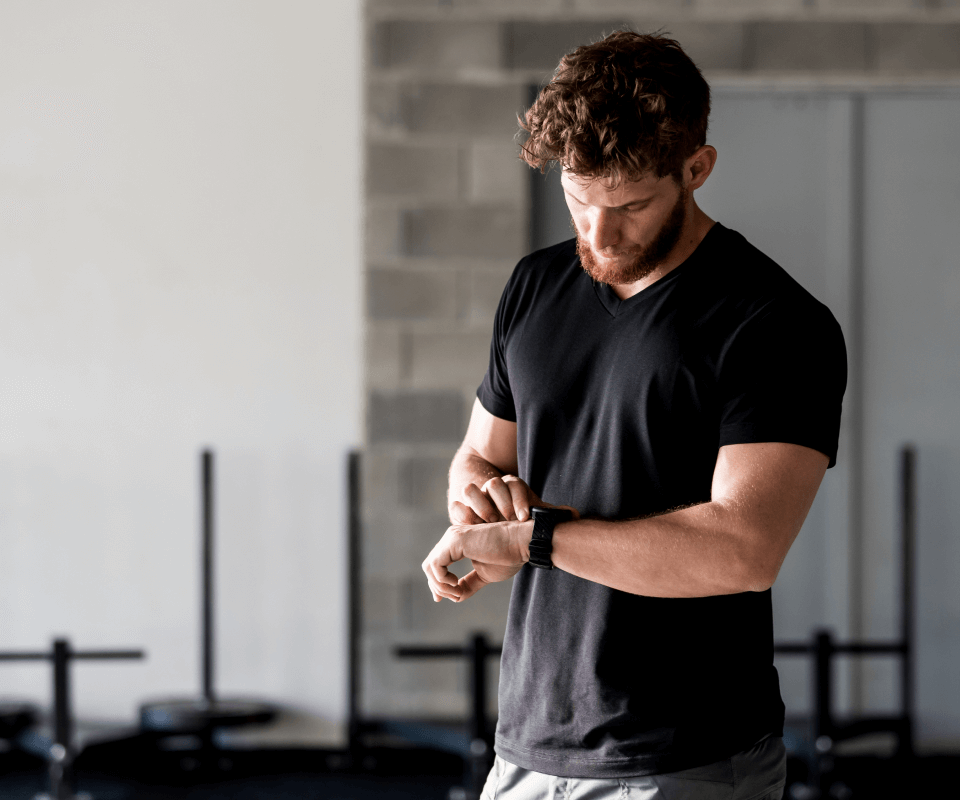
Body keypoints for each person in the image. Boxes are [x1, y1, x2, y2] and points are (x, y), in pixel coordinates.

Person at [421, 30, 847, 800]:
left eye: (630, 206)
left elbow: (744, 550)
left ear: (697, 169)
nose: (599, 234)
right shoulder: (535, 285)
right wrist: (478, 507)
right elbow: (480, 454)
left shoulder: (773, 322)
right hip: (526, 746)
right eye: (579, 199)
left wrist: (535, 539)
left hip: (684, 758)